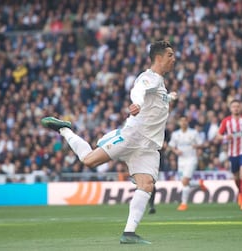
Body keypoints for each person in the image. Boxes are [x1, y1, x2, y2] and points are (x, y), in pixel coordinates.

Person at [41, 40, 177, 244]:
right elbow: (139, 90)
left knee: (146, 185)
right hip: (133, 137)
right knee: (88, 161)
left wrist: (170, 97)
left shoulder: (160, 84)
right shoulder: (149, 78)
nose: (173, 59)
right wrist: (137, 103)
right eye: (170, 55)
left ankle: (129, 234)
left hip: (148, 147)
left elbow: (157, 101)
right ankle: (64, 129)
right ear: (158, 58)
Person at [216, 99, 242, 211]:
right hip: (232, 153)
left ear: (240, 108)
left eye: (237, 106)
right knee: (236, 177)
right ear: (230, 109)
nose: (236, 108)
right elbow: (218, 136)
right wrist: (226, 137)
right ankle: (241, 192)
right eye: (234, 106)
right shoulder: (226, 121)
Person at [168, 116, 207, 211]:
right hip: (181, 161)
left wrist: (197, 145)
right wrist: (176, 151)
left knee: (185, 181)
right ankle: (198, 183)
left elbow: (202, 144)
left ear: (187, 122)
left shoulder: (193, 133)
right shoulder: (175, 134)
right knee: (184, 182)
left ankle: (184, 204)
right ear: (179, 123)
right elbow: (171, 146)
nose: (183, 122)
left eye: (185, 121)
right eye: (182, 121)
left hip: (191, 159)